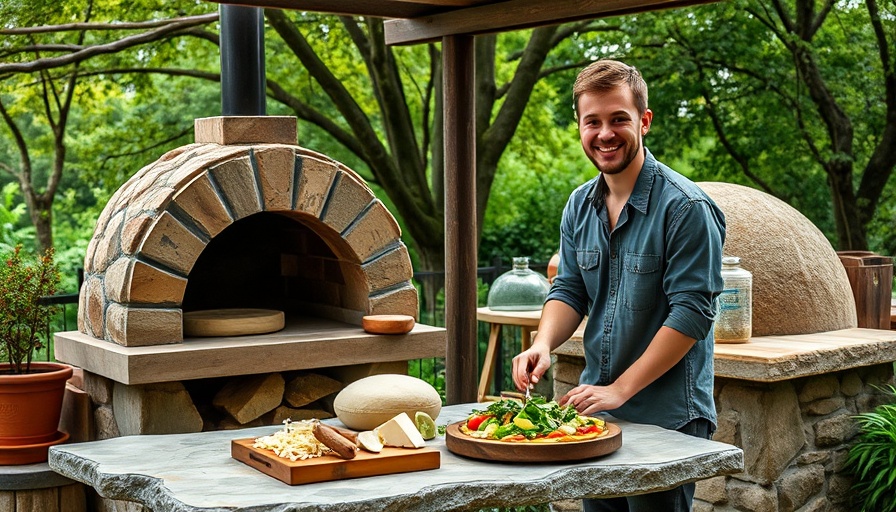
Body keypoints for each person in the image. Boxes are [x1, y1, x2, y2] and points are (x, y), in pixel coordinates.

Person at [511, 59, 726, 512]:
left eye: (618, 119)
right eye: (593, 121)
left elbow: (693, 313)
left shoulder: (686, 208)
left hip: (669, 418)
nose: (605, 133)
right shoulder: (579, 205)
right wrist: (543, 343)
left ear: (644, 121)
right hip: (598, 416)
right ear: (579, 126)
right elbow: (569, 288)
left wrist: (621, 388)